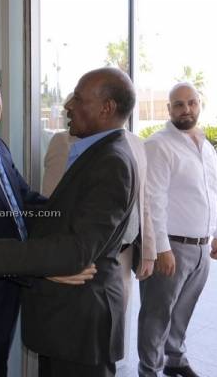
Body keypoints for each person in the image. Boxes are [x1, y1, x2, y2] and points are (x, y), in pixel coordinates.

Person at [0, 67, 139, 377]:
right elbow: (38, 208)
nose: (68, 105)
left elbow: (76, 251)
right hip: (61, 324)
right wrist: (49, 268)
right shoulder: (99, 152)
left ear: (106, 108)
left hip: (79, 328)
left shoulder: (111, 162)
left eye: (78, 99)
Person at [138, 82, 217, 377]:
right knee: (156, 315)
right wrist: (162, 248)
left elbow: (214, 192)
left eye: (192, 103)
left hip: (201, 247)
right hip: (172, 247)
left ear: (199, 105)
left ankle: (175, 360)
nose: (186, 109)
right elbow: (153, 200)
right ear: (169, 109)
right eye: (179, 104)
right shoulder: (158, 145)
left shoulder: (206, 147)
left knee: (183, 310)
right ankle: (148, 370)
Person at [43, 122, 156, 306]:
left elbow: (143, 198)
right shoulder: (63, 142)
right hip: (84, 259)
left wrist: (148, 249)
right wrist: (55, 261)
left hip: (123, 255)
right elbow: (51, 205)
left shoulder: (136, 142)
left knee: (117, 317)